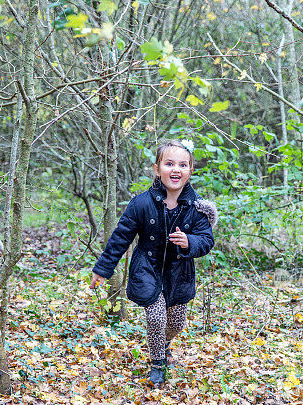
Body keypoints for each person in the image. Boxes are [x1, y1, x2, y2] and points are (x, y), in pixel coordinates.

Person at [90, 139, 217, 387]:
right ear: (157, 169)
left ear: (190, 171)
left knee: (176, 323)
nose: (176, 169)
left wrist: (189, 242)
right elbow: (121, 237)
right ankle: (158, 363)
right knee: (156, 318)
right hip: (147, 268)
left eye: (183, 165)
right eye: (169, 163)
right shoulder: (141, 203)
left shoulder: (198, 208)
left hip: (179, 272)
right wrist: (103, 269)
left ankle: (164, 342)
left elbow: (206, 240)